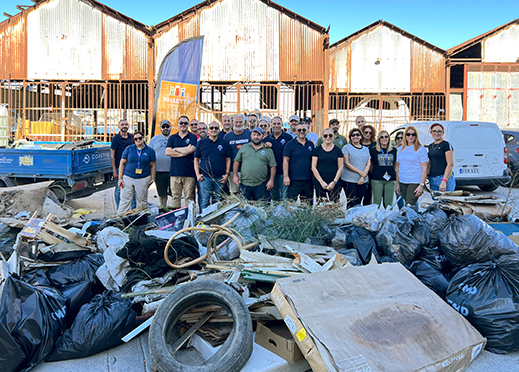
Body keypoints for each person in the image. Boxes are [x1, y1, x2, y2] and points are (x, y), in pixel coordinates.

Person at [194, 122, 231, 210]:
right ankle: (204, 221)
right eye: (211, 128)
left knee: (217, 202)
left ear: (219, 130)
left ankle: (216, 221)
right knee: (204, 202)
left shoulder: (224, 143)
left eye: (216, 128)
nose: (214, 130)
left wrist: (227, 174)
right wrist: (197, 174)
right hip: (205, 178)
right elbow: (196, 159)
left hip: (220, 178)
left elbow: (228, 159)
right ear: (208, 130)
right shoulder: (201, 143)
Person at [117, 131, 156, 214]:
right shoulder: (129, 149)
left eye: (140, 138)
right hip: (128, 177)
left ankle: (140, 219)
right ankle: (121, 217)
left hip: (143, 178)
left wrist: (153, 179)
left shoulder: (150, 151)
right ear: (133, 140)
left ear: (143, 138)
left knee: (141, 201)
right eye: (135, 139)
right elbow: (122, 163)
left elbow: (153, 165)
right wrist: (120, 178)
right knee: (125, 199)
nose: (138, 140)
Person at [233, 127, 276, 201]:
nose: (256, 137)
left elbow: (273, 166)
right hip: (245, 184)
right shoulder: (244, 148)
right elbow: (237, 161)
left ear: (263, 136)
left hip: (261, 184)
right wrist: (235, 175)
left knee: (262, 207)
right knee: (244, 208)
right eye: (254, 134)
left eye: (258, 135)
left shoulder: (268, 150)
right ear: (251, 136)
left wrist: (271, 180)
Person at [165, 116, 198, 210]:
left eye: (185, 123)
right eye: (181, 123)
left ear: (188, 125)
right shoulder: (172, 137)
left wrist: (174, 150)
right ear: (178, 124)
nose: (183, 125)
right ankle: (177, 219)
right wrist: (184, 151)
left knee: (189, 198)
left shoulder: (192, 137)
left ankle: (190, 218)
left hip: (189, 173)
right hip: (175, 173)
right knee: (175, 197)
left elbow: (191, 150)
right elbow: (167, 152)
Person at [395, 126, 428, 207]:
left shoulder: (421, 149)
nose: (410, 136)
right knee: (409, 205)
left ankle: (412, 219)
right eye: (408, 134)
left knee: (409, 204)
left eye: (413, 134)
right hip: (403, 181)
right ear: (405, 136)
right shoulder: (400, 149)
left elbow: (425, 168)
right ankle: (415, 219)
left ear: (416, 136)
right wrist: (397, 184)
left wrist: (421, 185)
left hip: (415, 181)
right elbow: (398, 168)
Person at [283, 121, 315, 203]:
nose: (301, 131)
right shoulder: (290, 144)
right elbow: (285, 161)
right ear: (296, 131)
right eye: (299, 130)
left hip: (308, 179)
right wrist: (286, 176)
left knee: (307, 205)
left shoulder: (311, 144)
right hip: (294, 180)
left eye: (304, 130)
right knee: (290, 205)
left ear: (307, 130)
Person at [264, 116, 293, 201]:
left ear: (281, 125)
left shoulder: (288, 138)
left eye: (278, 124)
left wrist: (287, 174)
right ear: (271, 125)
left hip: (284, 172)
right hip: (271, 172)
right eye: (274, 124)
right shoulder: (267, 139)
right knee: (275, 195)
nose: (276, 126)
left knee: (285, 196)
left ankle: (285, 213)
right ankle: (277, 212)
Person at [311, 128, 344, 202]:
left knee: (334, 206)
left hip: (334, 183)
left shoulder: (338, 150)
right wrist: (321, 182)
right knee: (321, 206)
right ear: (322, 137)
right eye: (325, 135)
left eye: (330, 135)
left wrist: (334, 182)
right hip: (320, 183)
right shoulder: (317, 150)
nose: (328, 137)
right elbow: (313, 167)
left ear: (333, 137)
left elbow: (340, 167)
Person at [342, 128, 371, 209]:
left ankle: (357, 220)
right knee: (351, 203)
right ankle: (350, 220)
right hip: (349, 180)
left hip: (363, 180)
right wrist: (360, 173)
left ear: (361, 136)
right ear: (350, 137)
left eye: (357, 135)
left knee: (358, 202)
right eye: (353, 135)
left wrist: (362, 176)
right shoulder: (346, 148)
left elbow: (368, 163)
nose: (355, 136)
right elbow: (346, 163)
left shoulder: (365, 149)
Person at [110, 119, 135, 210]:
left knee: (133, 189)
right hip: (118, 168)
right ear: (119, 127)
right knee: (119, 189)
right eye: (122, 124)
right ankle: (119, 210)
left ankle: (133, 209)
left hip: (131, 168)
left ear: (129, 126)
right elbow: (112, 155)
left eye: (126, 124)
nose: (124, 126)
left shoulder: (132, 137)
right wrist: (114, 170)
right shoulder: (116, 139)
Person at [224, 114, 251, 194]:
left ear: (244, 123)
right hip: (233, 170)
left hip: (247, 170)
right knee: (234, 193)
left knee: (247, 193)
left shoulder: (250, 134)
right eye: (236, 122)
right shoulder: (227, 137)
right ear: (232, 123)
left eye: (240, 122)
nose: (238, 124)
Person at [370, 130, 397, 208]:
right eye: (382, 137)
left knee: (389, 203)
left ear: (389, 138)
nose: (384, 138)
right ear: (379, 139)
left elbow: (396, 164)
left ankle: (388, 219)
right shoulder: (373, 150)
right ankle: (376, 219)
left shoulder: (394, 150)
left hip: (390, 179)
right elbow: (371, 164)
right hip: (377, 179)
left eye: (386, 136)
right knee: (376, 202)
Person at [148, 120, 172, 207]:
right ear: (160, 128)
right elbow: (149, 152)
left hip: (172, 170)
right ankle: (163, 208)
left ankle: (175, 208)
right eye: (163, 127)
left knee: (175, 192)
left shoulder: (174, 138)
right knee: (162, 192)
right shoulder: (154, 139)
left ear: (170, 127)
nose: (165, 128)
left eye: (167, 126)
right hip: (158, 170)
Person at [428, 123, 455, 192]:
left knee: (446, 201)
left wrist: (444, 181)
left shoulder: (446, 144)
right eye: (434, 131)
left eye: (439, 131)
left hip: (443, 177)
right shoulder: (430, 146)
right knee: (436, 201)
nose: (436, 133)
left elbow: (450, 164)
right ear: (431, 132)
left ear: (443, 133)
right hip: (432, 178)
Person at [359, 124, 376, 205]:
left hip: (371, 172)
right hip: (359, 171)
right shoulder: (358, 143)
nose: (368, 134)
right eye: (366, 132)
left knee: (368, 195)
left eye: (370, 133)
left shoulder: (375, 145)